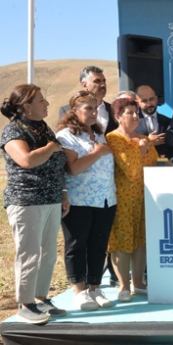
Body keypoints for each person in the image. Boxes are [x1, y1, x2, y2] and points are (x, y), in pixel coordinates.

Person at [1, 84, 68, 324]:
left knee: (49, 253)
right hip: (26, 201)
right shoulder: (12, 132)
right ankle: (25, 303)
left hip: (51, 199)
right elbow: (27, 160)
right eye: (41, 100)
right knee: (29, 253)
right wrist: (51, 147)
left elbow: (58, 163)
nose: (47, 103)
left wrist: (63, 192)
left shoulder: (44, 129)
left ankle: (40, 298)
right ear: (26, 106)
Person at [56, 90, 117, 310]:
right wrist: (97, 153)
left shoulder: (99, 135)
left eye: (95, 108)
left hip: (105, 199)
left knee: (98, 245)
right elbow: (72, 168)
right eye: (87, 108)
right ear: (74, 111)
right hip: (78, 200)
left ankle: (95, 287)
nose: (93, 112)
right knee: (77, 245)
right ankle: (79, 291)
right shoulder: (66, 136)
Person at [106, 97, 158, 302]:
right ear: (118, 117)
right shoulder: (113, 138)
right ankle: (123, 286)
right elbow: (128, 168)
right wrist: (142, 148)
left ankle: (139, 283)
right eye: (130, 112)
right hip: (122, 198)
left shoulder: (144, 137)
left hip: (146, 197)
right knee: (122, 241)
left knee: (141, 240)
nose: (136, 116)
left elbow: (155, 163)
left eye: (137, 112)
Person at [59, 66, 117, 134]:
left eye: (104, 81)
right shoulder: (67, 110)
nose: (103, 85)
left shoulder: (114, 110)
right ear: (84, 85)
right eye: (97, 81)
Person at [135, 85, 172, 159]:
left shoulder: (168, 121)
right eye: (144, 101)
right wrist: (149, 142)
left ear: (156, 99)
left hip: (164, 165)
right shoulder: (133, 123)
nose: (149, 104)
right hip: (142, 166)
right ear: (137, 103)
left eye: (151, 99)